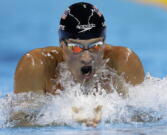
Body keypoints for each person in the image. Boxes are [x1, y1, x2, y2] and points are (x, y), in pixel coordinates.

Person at [14, 2, 145, 95]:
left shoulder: (124, 62)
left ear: (104, 43)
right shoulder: (35, 67)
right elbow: (22, 123)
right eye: (76, 47)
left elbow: (144, 118)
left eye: (95, 46)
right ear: (62, 45)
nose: (87, 58)